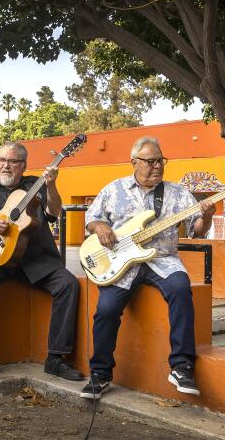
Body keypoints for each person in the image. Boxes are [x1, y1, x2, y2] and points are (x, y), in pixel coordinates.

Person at [80, 136, 214, 400]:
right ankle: (100, 373)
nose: (157, 166)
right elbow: (91, 219)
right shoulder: (113, 189)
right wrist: (101, 227)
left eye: (160, 161)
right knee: (106, 310)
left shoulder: (178, 193)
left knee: (180, 289)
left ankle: (181, 366)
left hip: (162, 258)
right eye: (150, 161)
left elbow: (197, 231)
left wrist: (206, 215)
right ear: (134, 162)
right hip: (121, 262)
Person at [0, 141, 83, 382]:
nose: (5, 166)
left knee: (68, 284)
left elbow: (54, 213)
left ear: (23, 165)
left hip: (37, 259)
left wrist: (51, 184)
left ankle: (56, 359)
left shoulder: (36, 185)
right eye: (1, 160)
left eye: (12, 161)